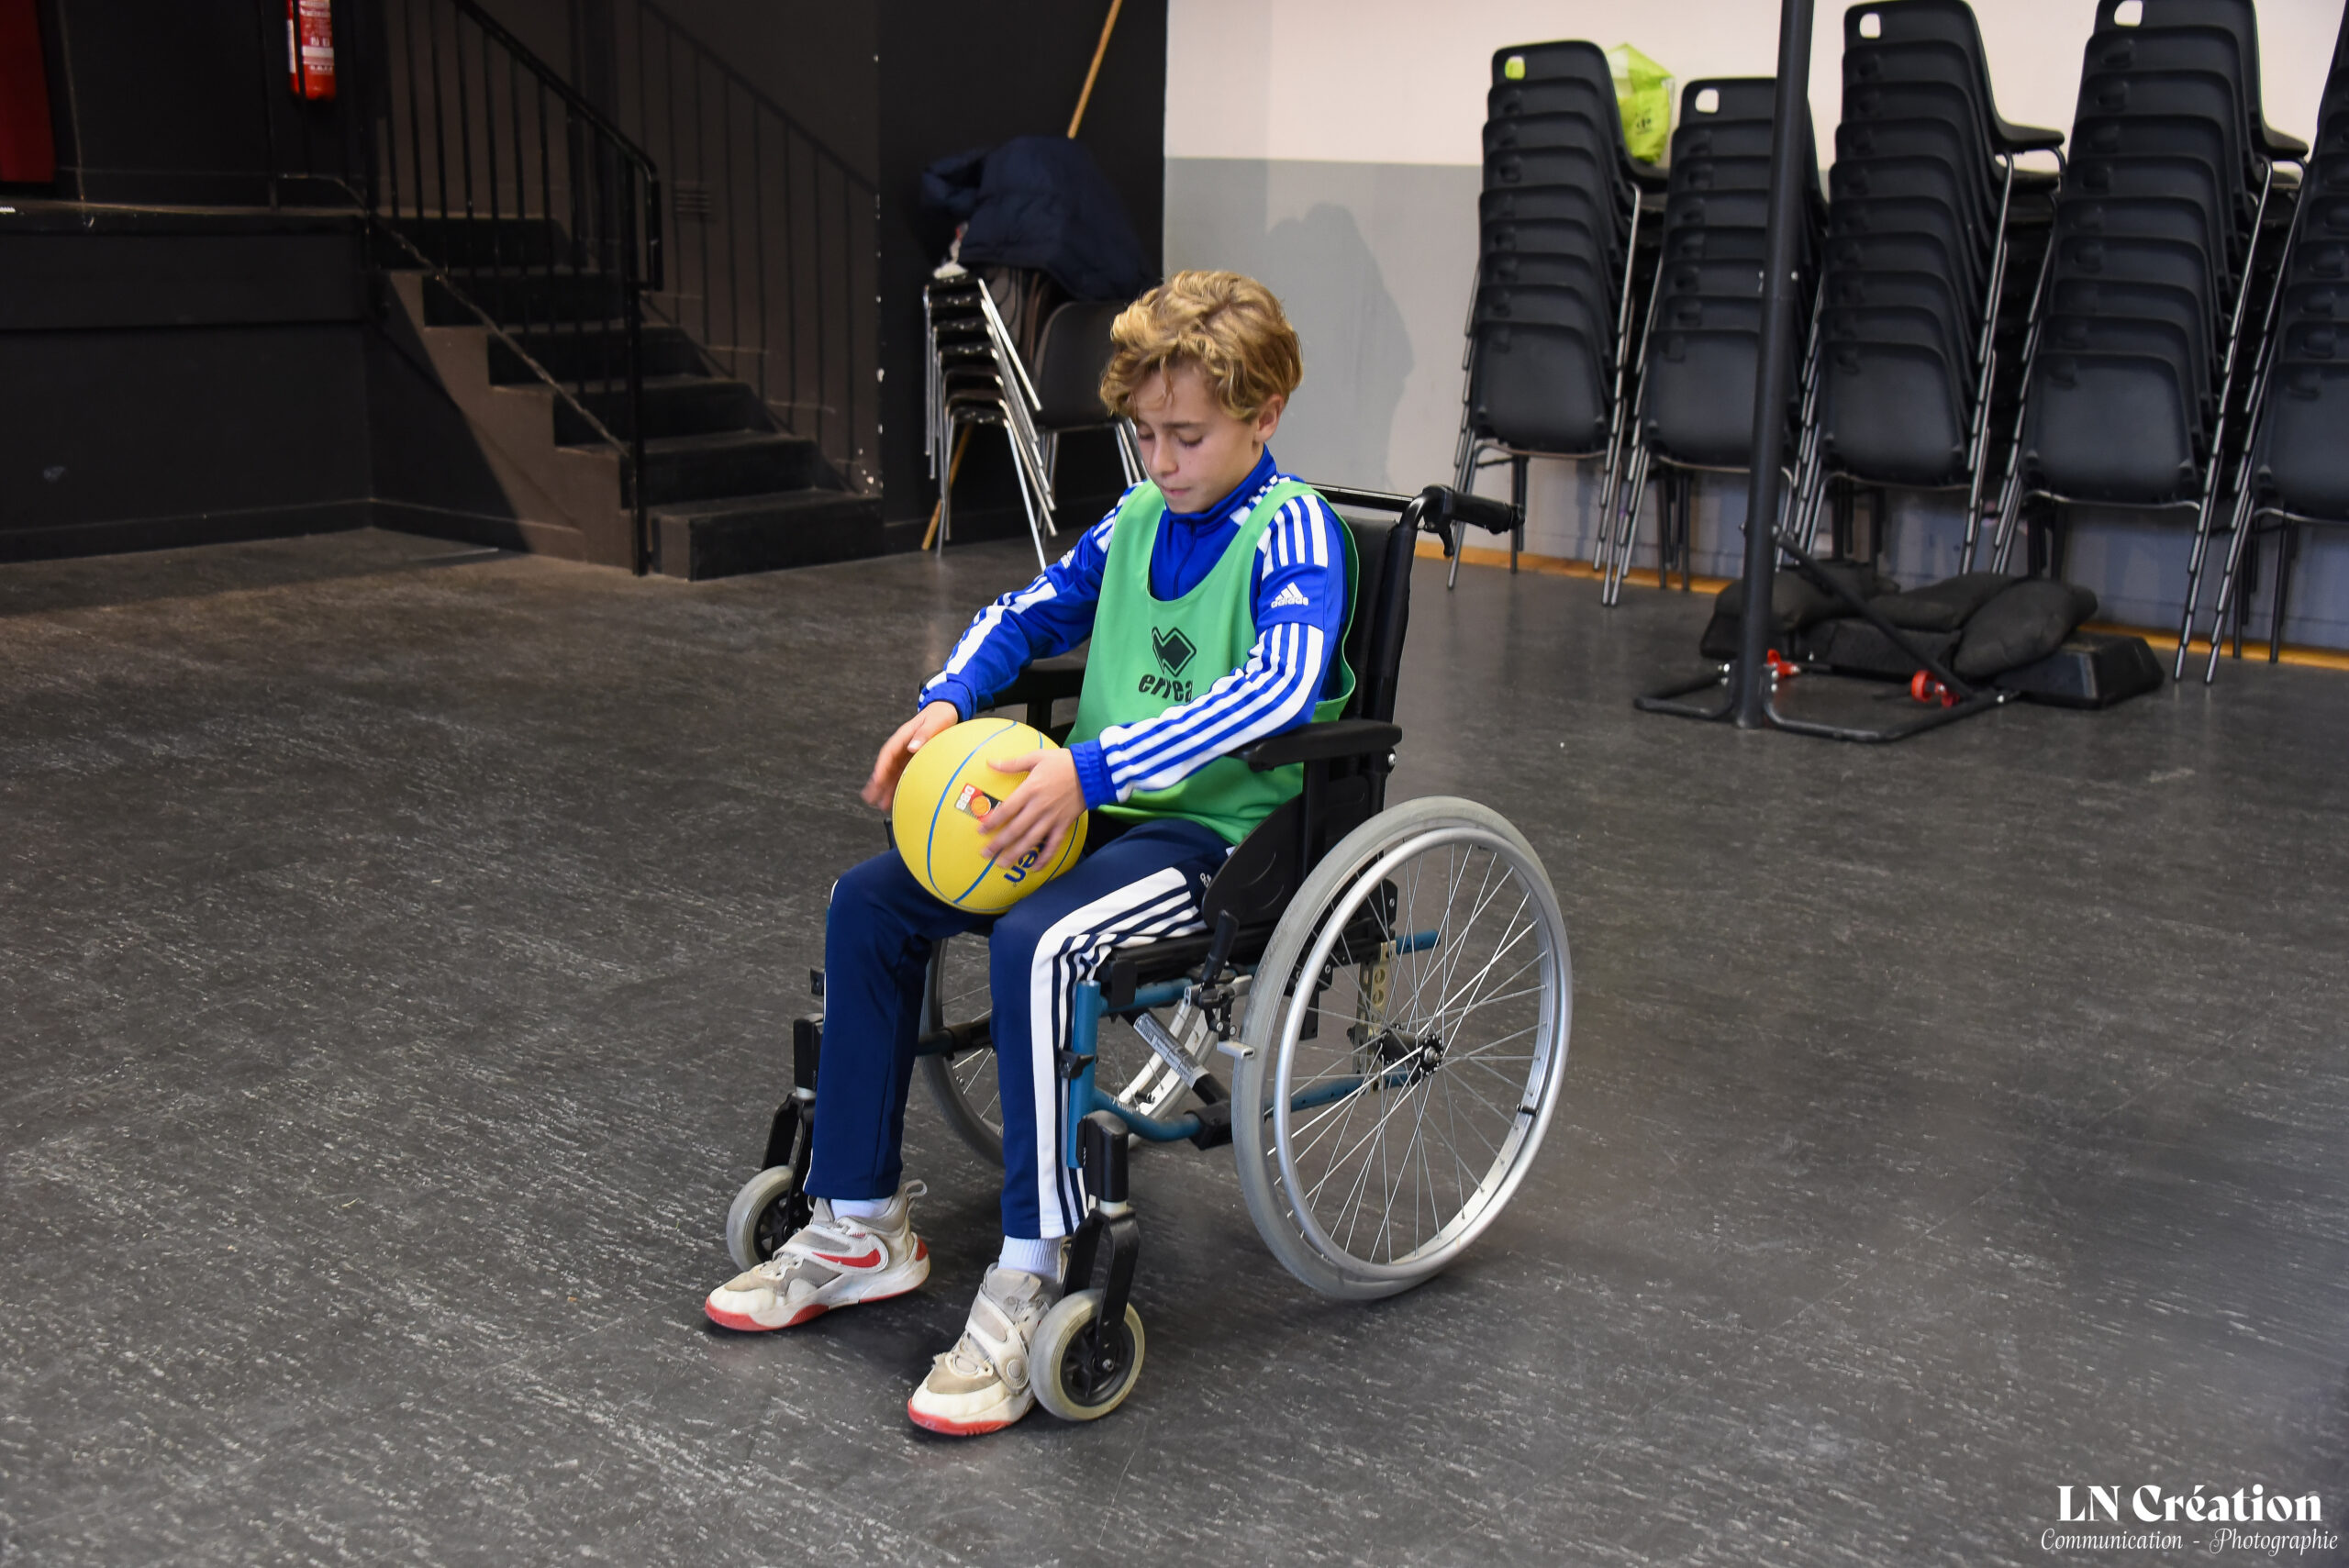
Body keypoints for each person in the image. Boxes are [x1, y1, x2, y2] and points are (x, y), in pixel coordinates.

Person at [702, 270, 1356, 1436]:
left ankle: (1033, 1263)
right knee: (870, 900)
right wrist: (948, 699)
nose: (1160, 459)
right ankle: (859, 1222)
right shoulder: (1137, 518)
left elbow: (1281, 687)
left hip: (1216, 836)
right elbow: (1027, 610)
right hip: (1094, 805)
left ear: (1264, 415)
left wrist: (1089, 768)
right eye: (1144, 433)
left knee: (1038, 941)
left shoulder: (1295, 529)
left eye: (1189, 435)